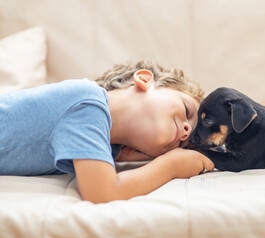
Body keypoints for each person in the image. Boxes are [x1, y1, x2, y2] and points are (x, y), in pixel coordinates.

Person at [0, 60, 214, 203]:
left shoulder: (105, 149)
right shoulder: (87, 101)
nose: (187, 130)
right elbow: (102, 193)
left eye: (181, 145)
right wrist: (172, 165)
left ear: (130, 151)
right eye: (187, 111)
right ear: (144, 80)